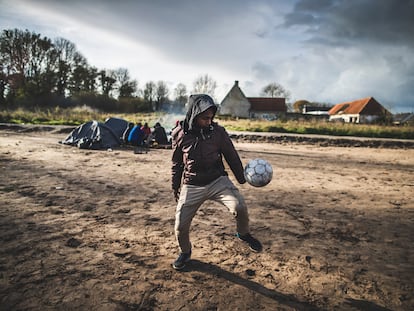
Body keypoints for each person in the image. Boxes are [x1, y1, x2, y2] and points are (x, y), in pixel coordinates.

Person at [171, 94, 262, 270]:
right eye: (205, 118)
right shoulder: (179, 134)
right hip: (192, 184)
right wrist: (175, 185)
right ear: (194, 114)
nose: (209, 121)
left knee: (240, 207)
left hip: (217, 180)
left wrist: (241, 178)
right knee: (180, 226)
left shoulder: (218, 133)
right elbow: (177, 163)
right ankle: (185, 252)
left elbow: (231, 156)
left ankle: (243, 234)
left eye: (211, 118)